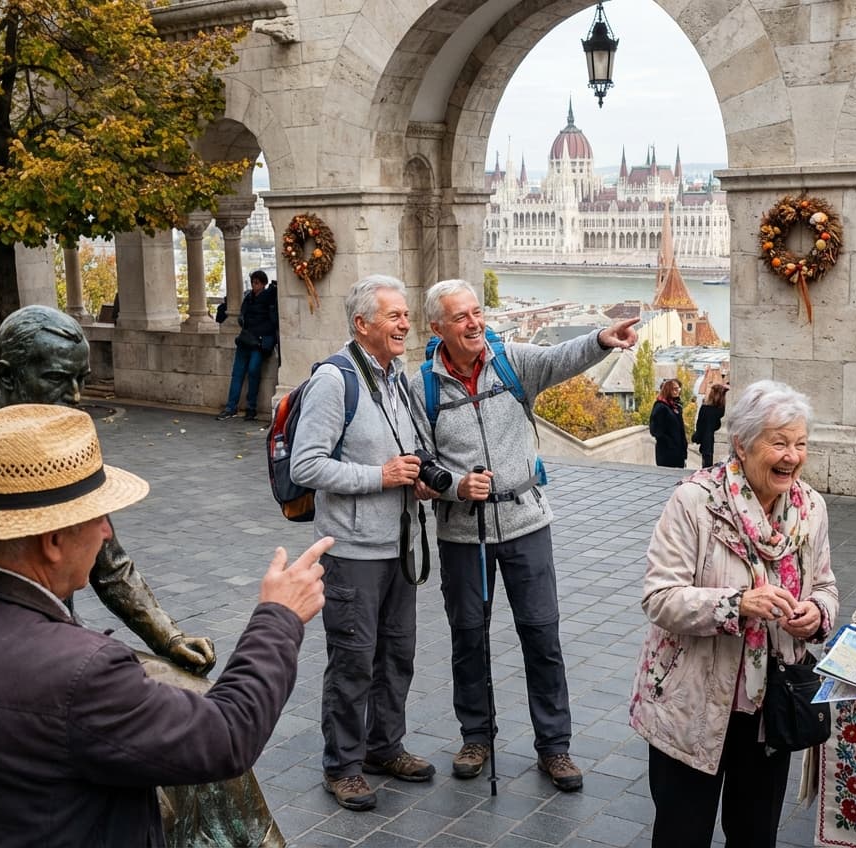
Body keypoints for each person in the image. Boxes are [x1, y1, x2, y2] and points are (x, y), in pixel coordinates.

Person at [0, 402, 332, 846]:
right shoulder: (81, 674)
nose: (106, 533)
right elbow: (227, 735)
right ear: (54, 541)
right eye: (100, 517)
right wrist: (280, 617)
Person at [0, 305, 215, 674]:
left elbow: (109, 565)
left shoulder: (63, 453)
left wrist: (168, 637)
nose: (75, 396)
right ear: (7, 376)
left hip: (55, 662)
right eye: (58, 378)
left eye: (82, 379)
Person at [410, 279, 638, 792]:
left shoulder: (510, 360)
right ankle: (477, 735)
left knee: (541, 634)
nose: (475, 323)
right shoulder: (421, 385)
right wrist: (456, 487)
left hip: (527, 523)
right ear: (438, 328)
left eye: (478, 312)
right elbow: (421, 464)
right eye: (462, 317)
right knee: (469, 637)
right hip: (463, 535)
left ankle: (554, 748)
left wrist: (603, 338)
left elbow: (562, 358)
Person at [629, 379, 838, 848]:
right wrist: (736, 604)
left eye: (800, 443)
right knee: (683, 834)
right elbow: (659, 597)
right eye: (779, 443)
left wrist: (816, 613)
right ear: (741, 444)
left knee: (753, 835)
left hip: (769, 708)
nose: (792, 456)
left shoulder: (811, 508)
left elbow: (825, 586)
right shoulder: (695, 502)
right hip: (691, 704)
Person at [288, 275, 435, 811]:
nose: (405, 324)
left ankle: (384, 746)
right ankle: (343, 766)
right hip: (351, 552)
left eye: (404, 315)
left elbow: (401, 453)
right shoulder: (336, 379)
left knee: (397, 655)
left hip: (399, 546)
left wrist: (414, 478)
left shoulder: (395, 376)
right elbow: (307, 464)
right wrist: (381, 476)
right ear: (362, 325)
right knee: (353, 661)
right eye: (394, 316)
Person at [216, 269, 279, 421]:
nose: (254, 286)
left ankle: (251, 407)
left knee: (253, 373)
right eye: (253, 283)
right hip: (245, 340)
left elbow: (273, 322)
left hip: (258, 342)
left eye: (257, 283)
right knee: (237, 374)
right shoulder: (248, 298)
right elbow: (241, 317)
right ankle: (231, 407)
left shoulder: (269, 299)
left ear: (263, 284)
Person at [650, 377, 687, 468]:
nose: (677, 391)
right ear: (668, 390)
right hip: (667, 453)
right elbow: (655, 430)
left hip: (678, 452)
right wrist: (670, 443)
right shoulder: (661, 406)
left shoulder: (675, 406)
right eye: (675, 389)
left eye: (678, 388)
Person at [692, 380, 728, 468]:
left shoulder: (705, 408)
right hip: (712, 443)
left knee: (706, 467)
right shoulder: (721, 410)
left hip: (706, 444)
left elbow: (699, 426)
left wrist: (696, 437)